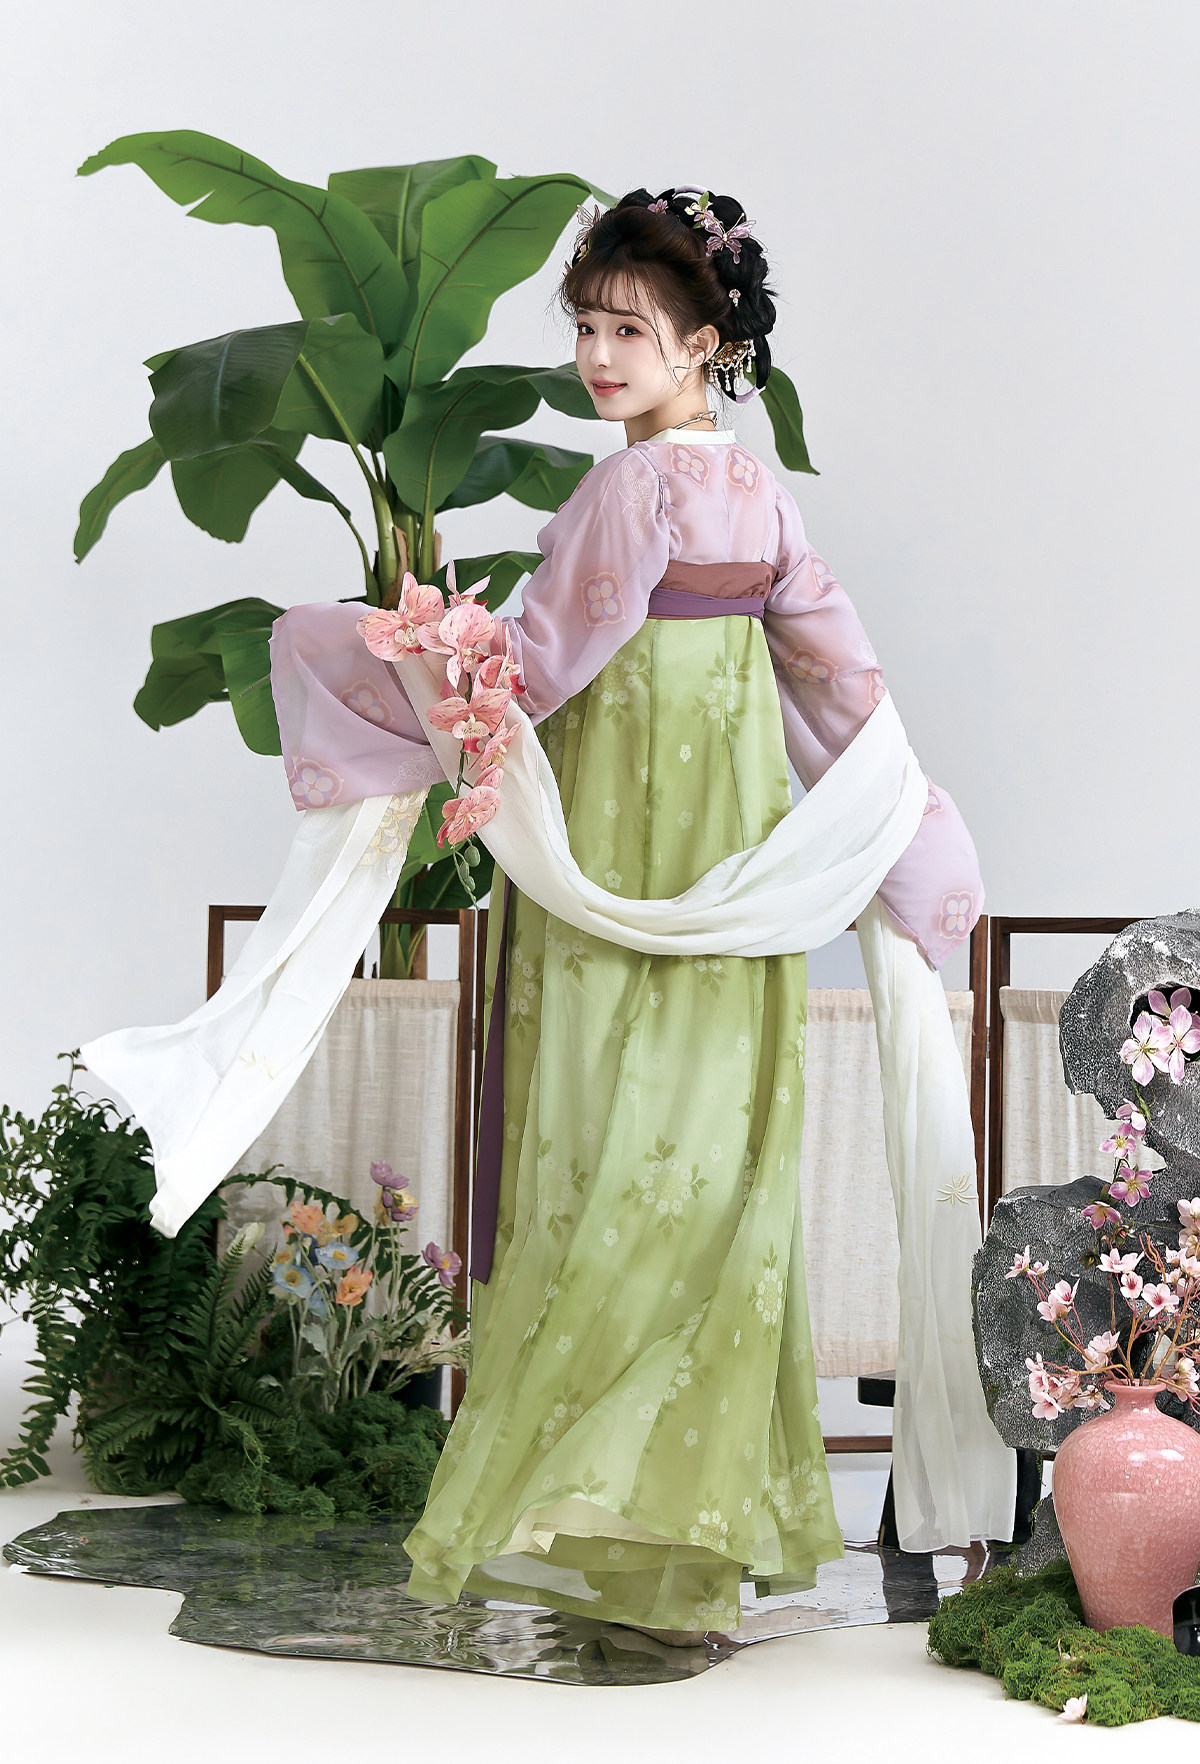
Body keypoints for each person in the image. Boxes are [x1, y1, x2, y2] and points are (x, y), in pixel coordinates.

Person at [393, 188, 986, 1645]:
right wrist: (915, 834)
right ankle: (685, 1548)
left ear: (704, 343)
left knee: (602, 1156)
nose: (598, 357)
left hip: (621, 873)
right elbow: (841, 684)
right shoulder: (763, 498)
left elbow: (537, 664)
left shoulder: (630, 494)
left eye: (629, 330)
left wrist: (419, 657)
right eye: (588, 328)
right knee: (711, 1181)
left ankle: (595, 1515)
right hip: (734, 878)